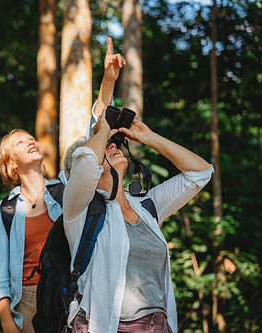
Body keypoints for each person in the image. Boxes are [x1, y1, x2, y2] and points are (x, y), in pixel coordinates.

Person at [0, 38, 126, 333]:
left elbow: (94, 132)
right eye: (19, 142)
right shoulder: (6, 210)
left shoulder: (63, 189)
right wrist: (8, 323)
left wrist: (109, 80)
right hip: (25, 302)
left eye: (31, 137)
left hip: (66, 294)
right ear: (11, 164)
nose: (30, 140)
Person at [62, 109, 213, 333]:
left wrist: (149, 137)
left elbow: (200, 172)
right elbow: (84, 163)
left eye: (112, 144)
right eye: (104, 146)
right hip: (107, 325)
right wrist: (102, 130)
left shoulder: (146, 206)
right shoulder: (79, 212)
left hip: (158, 325)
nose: (112, 145)